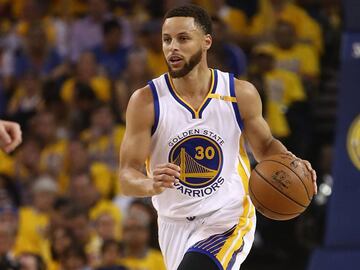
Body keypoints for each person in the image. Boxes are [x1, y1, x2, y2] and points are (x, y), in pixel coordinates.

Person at [119, 5, 317, 270]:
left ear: (206, 42)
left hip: (228, 216)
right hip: (172, 223)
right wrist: (149, 184)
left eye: (183, 38)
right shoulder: (146, 101)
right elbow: (125, 176)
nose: (172, 47)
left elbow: (266, 146)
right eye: (167, 40)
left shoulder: (239, 93)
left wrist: (293, 162)